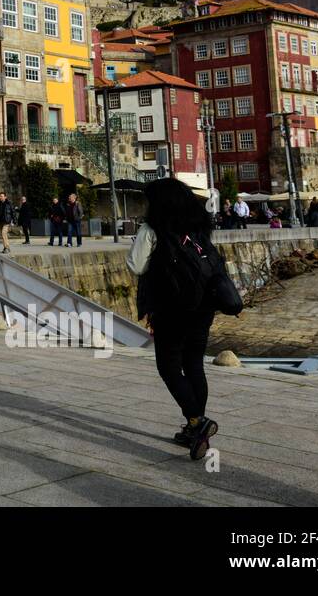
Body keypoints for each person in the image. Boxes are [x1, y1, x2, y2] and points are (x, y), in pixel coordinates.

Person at [127, 177, 220, 461]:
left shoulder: (152, 229)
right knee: (193, 364)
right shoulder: (199, 225)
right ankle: (194, 429)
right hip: (203, 306)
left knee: (168, 367)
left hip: (170, 308)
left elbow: (136, 264)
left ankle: (196, 421)